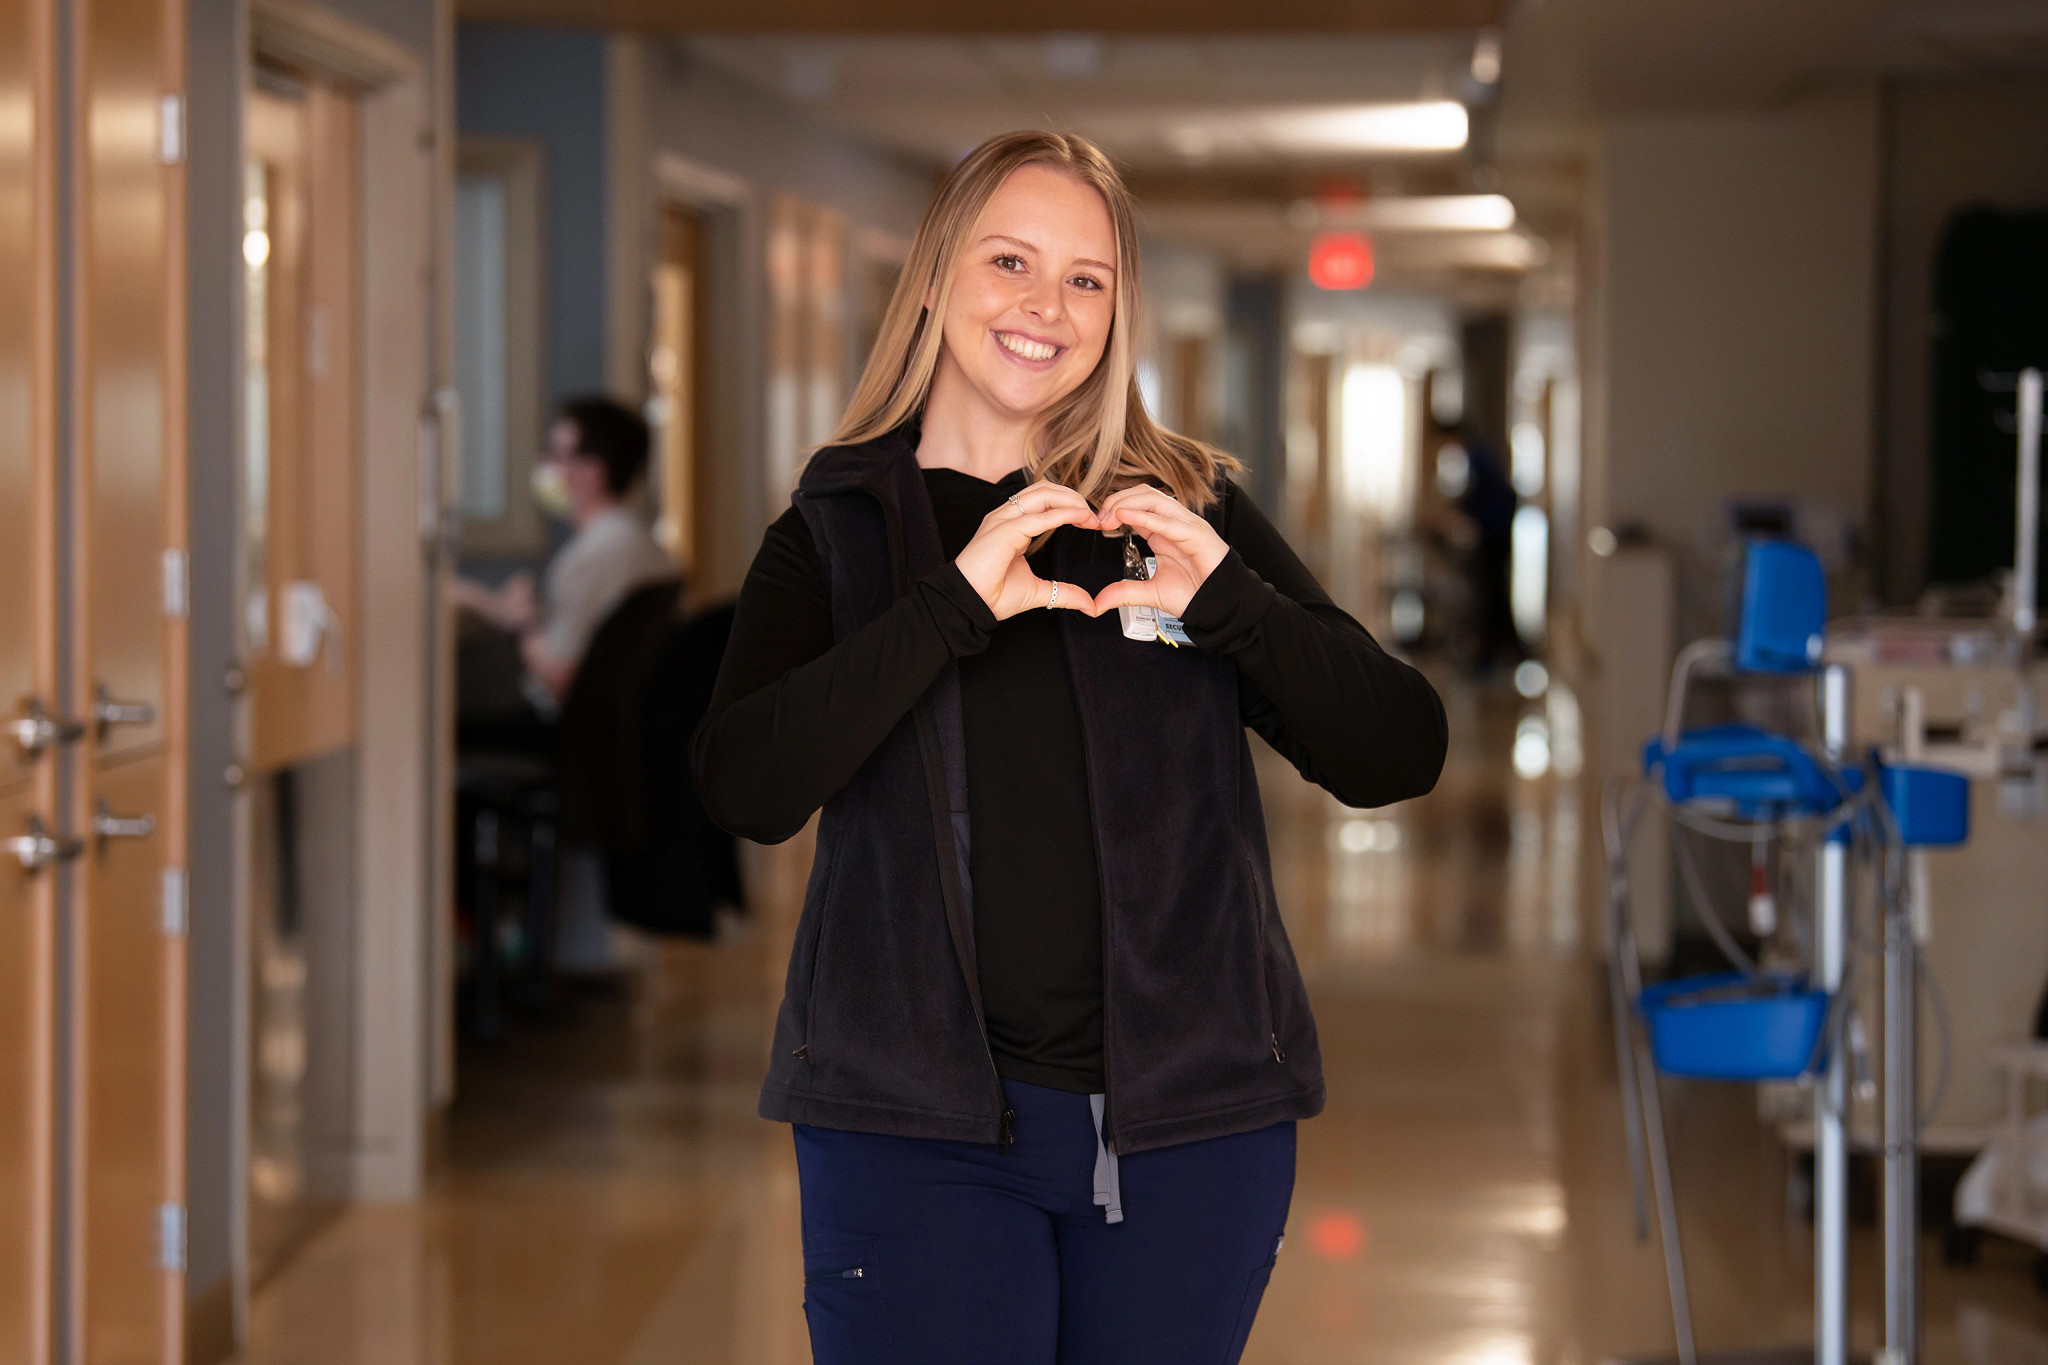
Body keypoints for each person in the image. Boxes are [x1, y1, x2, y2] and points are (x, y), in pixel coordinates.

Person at [691, 132, 1446, 1365]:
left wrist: (1234, 607)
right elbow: (745, 788)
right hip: (908, 1133)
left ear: (1118, 311)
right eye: (1009, 261)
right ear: (935, 277)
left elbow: (1395, 751)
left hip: (1186, 1130)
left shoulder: (1176, 516)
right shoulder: (835, 535)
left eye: (1087, 279)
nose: (1047, 307)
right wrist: (947, 608)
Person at [453, 396, 675, 712]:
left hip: (564, 728)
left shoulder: (593, 557)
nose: (544, 466)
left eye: (556, 454)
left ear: (592, 471)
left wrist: (525, 625)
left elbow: (562, 681)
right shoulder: (635, 541)